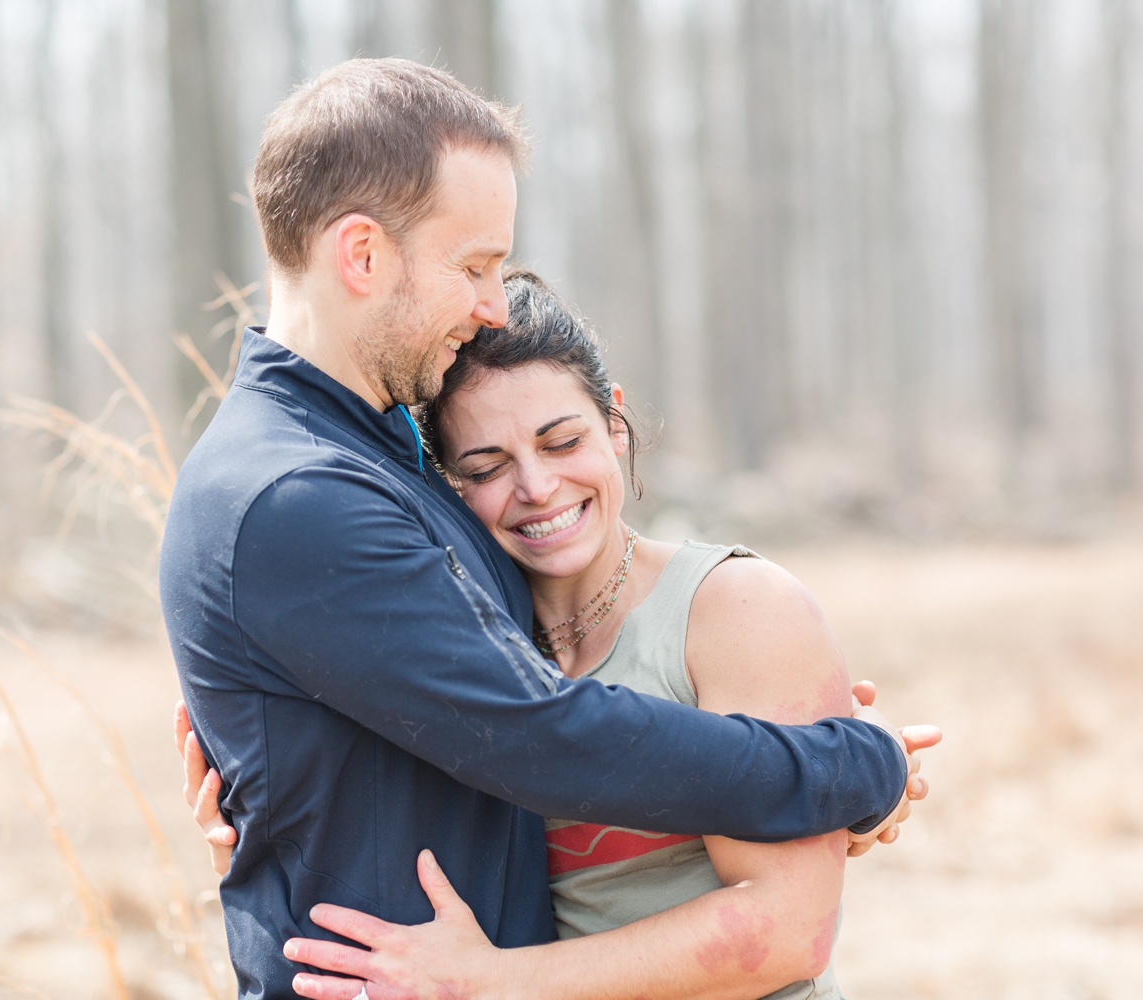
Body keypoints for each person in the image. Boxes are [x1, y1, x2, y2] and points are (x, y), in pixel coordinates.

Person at [160, 57, 932, 1000]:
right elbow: (545, 734)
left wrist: (773, 731)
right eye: (475, 264)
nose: (494, 302)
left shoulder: (377, 452)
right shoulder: (297, 492)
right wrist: (845, 765)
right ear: (361, 255)